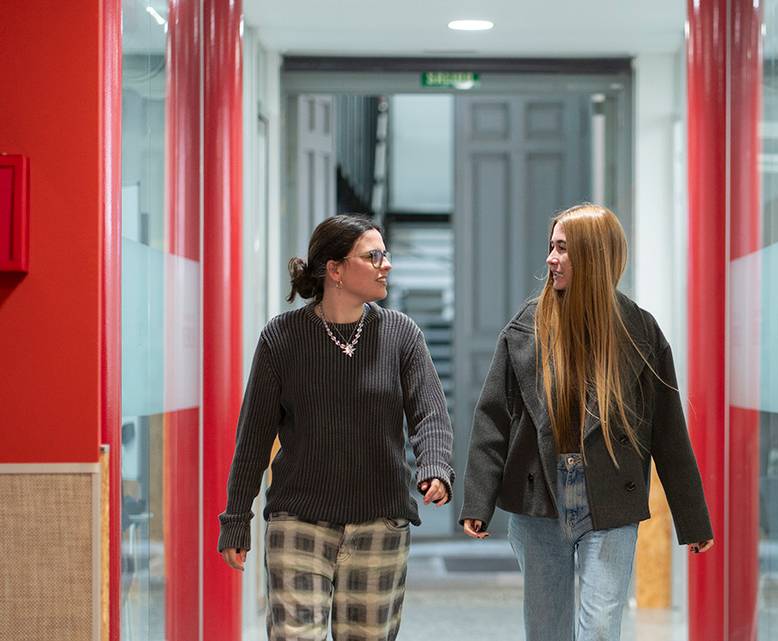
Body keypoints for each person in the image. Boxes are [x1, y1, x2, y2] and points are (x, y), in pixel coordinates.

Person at [460, 203, 713, 641]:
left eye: (561, 248)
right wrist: (478, 502)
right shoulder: (526, 328)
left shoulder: (641, 332)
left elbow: (669, 432)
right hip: (541, 499)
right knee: (547, 630)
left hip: (611, 496)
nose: (550, 259)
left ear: (593, 256)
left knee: (598, 627)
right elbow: (493, 419)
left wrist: (692, 519)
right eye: (551, 246)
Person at [218, 214, 454, 641]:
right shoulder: (281, 339)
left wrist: (434, 466)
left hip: (380, 522)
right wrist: (236, 518)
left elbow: (430, 413)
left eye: (385, 254)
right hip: (299, 522)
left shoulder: (401, 335)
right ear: (336, 270)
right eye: (374, 255)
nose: (387, 264)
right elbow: (252, 438)